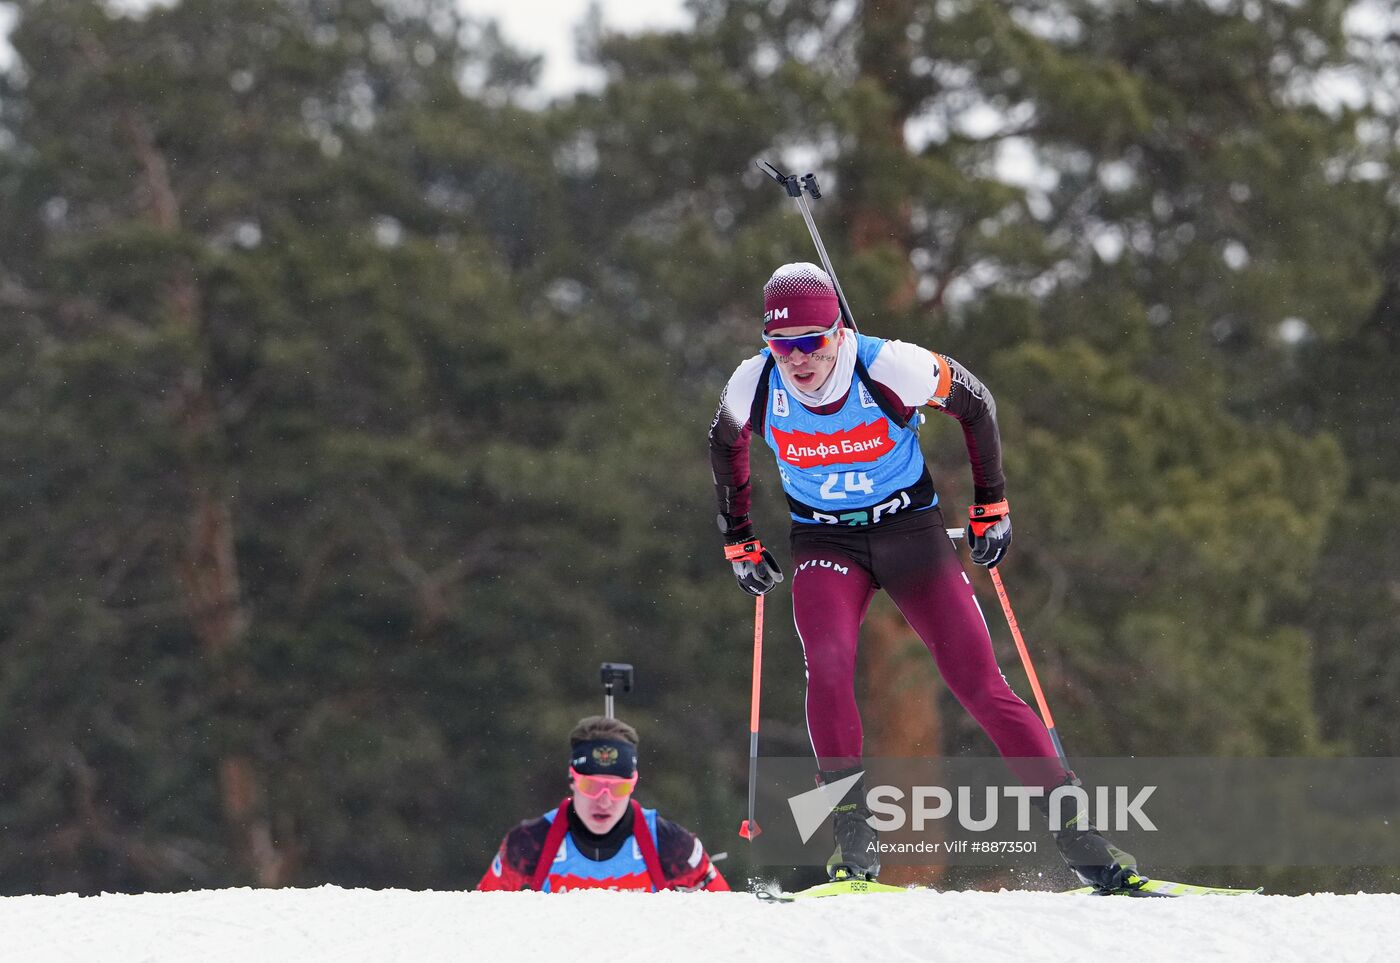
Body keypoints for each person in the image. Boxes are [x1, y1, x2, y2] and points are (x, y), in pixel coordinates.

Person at [708, 262, 1137, 890]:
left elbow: (977, 403)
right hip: (826, 540)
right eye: (782, 344)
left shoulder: (890, 366)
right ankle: (853, 842)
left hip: (910, 532)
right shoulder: (753, 383)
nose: (797, 359)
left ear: (838, 331)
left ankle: (1082, 841)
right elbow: (724, 445)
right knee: (827, 663)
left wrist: (992, 504)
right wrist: (739, 538)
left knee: (977, 682)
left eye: (811, 342)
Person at [477, 715, 729, 892]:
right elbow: (478, 922)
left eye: (618, 788)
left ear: (633, 785)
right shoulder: (528, 844)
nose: (604, 801)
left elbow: (727, 923)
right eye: (592, 786)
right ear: (572, 780)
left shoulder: (673, 846)